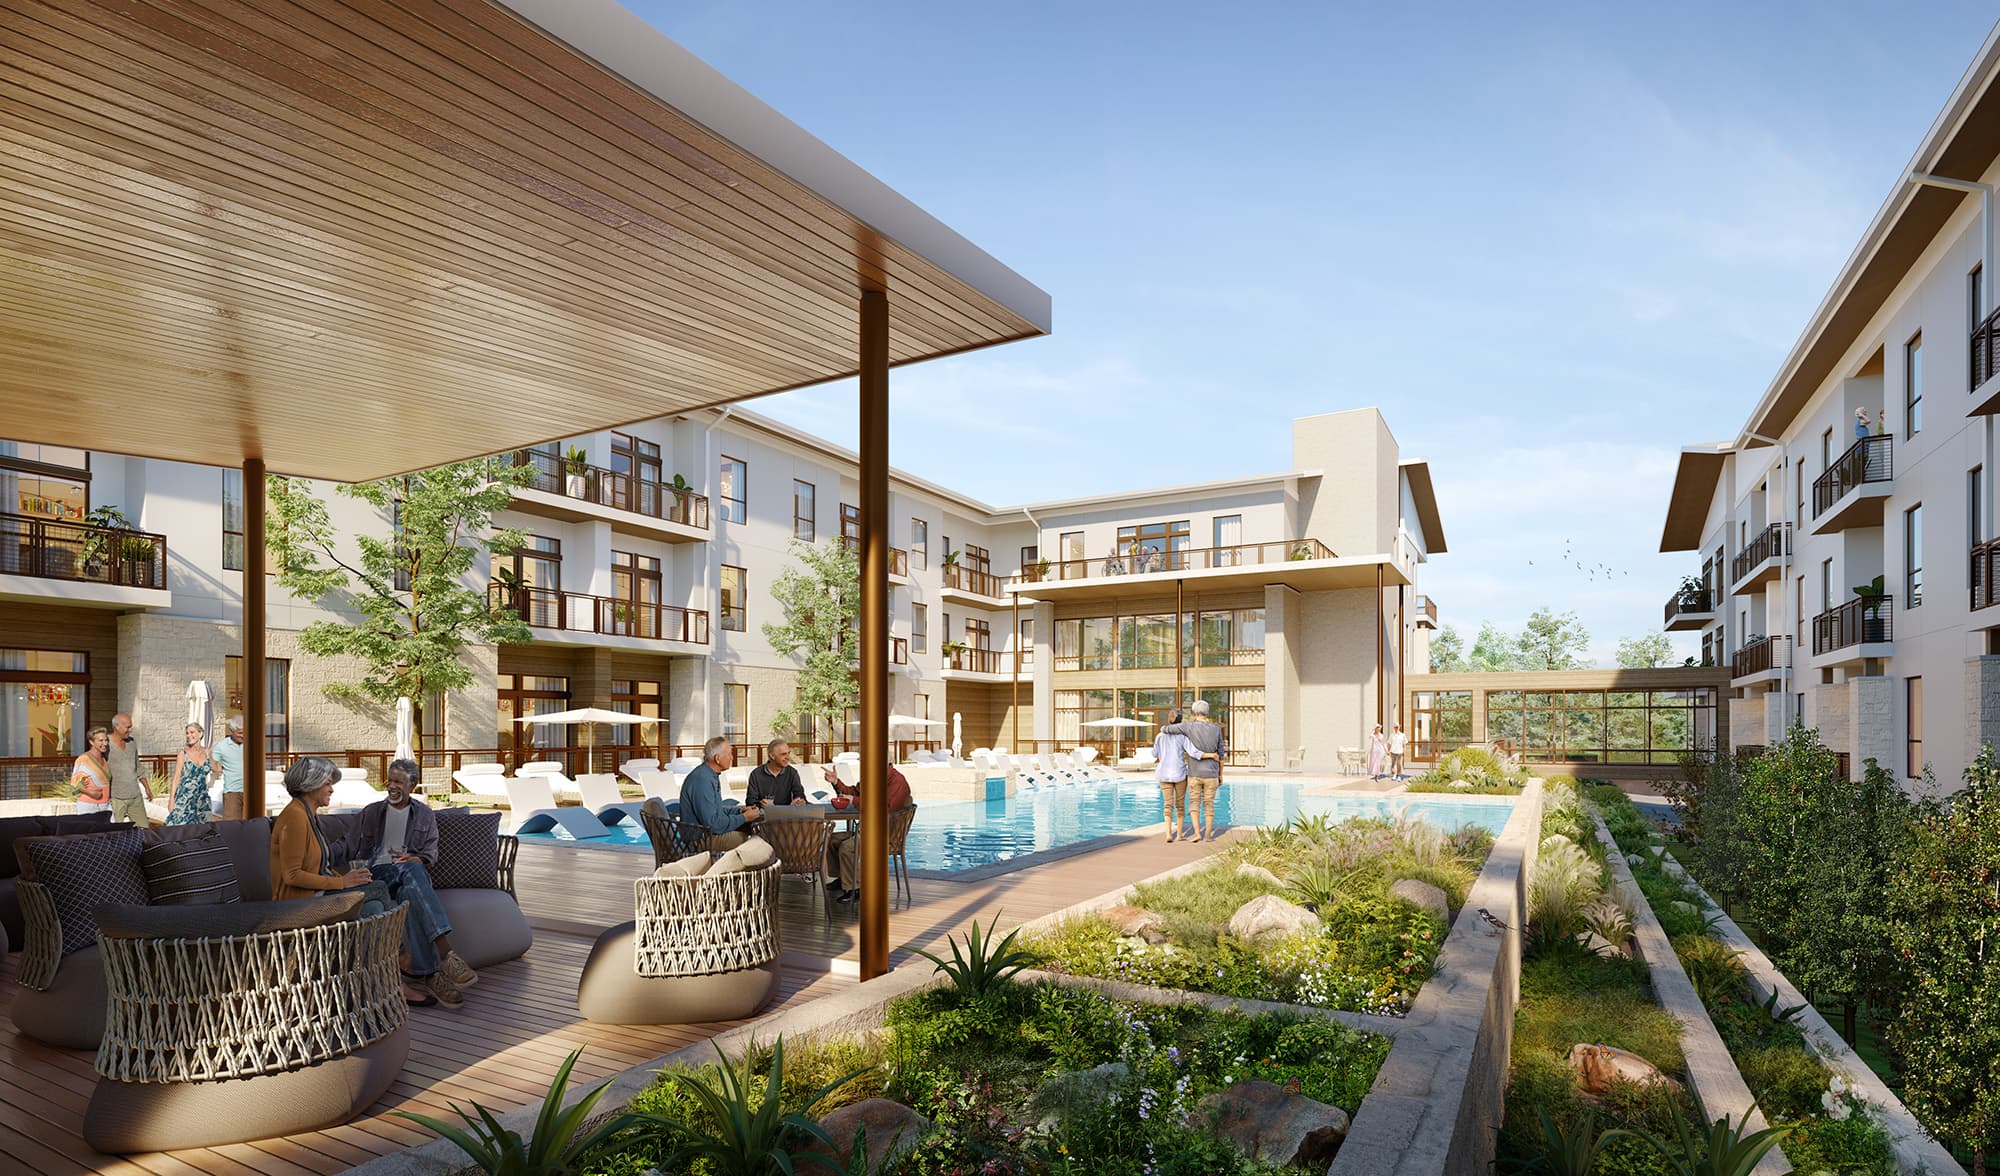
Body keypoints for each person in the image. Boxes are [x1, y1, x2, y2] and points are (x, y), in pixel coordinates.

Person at [270, 757, 447, 1007]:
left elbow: (321, 860)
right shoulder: (296, 818)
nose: (332, 789)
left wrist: (345, 877)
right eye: (328, 784)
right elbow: (292, 876)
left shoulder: (308, 815)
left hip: (317, 894)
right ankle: (401, 962)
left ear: (412, 786)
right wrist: (342, 882)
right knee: (378, 888)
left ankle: (386, 981)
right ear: (311, 785)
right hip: (300, 904)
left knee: (375, 906)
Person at [347, 759, 479, 996]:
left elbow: (431, 852)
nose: (392, 785)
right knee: (410, 871)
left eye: (399, 781)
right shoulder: (372, 812)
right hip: (377, 875)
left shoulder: (424, 815)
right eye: (390, 780)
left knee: (411, 888)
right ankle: (444, 951)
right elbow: (346, 845)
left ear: (412, 785)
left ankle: (429, 974)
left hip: (409, 876)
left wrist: (419, 859)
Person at [819, 761, 911, 904]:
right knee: (832, 840)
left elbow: (885, 807)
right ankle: (844, 879)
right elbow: (854, 793)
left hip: (885, 835)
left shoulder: (897, 781)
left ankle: (855, 888)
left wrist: (855, 800)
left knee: (848, 847)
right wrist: (836, 782)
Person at [679, 736, 762, 851]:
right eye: (729, 754)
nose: (732, 758)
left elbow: (716, 811)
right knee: (751, 841)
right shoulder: (702, 780)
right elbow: (714, 824)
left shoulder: (710, 775)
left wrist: (739, 810)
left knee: (755, 829)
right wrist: (744, 818)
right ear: (717, 758)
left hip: (707, 834)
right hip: (700, 840)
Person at [1161, 701, 1227, 843]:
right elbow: (1221, 754)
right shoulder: (1216, 729)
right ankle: (1208, 836)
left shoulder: (1188, 727)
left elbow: (1165, 729)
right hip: (1212, 774)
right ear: (1207, 713)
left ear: (1194, 713)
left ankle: (1197, 833)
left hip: (1195, 773)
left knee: (1194, 803)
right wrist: (1221, 775)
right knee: (1209, 804)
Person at [1151, 711, 1213, 842]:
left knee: (1167, 805)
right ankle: (1179, 835)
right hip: (1179, 773)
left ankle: (1168, 834)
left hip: (1163, 774)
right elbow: (1194, 752)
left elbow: (1154, 754)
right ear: (1180, 722)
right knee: (1180, 805)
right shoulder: (1182, 737)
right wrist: (1211, 755)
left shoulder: (1159, 736)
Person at [105, 712, 151, 827]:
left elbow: (138, 766)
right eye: (128, 727)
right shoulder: (106, 744)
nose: (130, 730)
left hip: (135, 796)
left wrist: (147, 788)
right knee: (116, 833)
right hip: (116, 798)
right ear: (117, 726)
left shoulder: (132, 742)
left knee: (144, 829)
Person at [165, 722, 215, 825]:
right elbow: (176, 778)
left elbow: (217, 768)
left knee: (201, 830)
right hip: (184, 798)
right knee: (179, 828)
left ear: (200, 734)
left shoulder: (208, 753)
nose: (188, 735)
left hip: (201, 799)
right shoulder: (183, 754)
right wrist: (171, 800)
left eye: (192, 732)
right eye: (187, 733)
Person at [747, 739, 807, 809]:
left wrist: (801, 802)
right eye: (784, 754)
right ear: (772, 756)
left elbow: (800, 796)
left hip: (787, 815)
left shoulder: (792, 773)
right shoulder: (756, 774)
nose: (788, 757)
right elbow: (750, 803)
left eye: (788, 753)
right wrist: (761, 805)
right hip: (765, 816)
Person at [211, 715, 246, 819]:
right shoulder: (222, 746)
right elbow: (211, 762)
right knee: (232, 826)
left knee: (254, 825)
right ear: (231, 730)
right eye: (239, 732)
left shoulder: (252, 743)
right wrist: (218, 769)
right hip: (232, 792)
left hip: (252, 791)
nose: (243, 735)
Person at [71, 726, 111, 813]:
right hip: (88, 806)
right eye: (101, 740)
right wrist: (91, 793)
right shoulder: (83, 759)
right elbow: (74, 786)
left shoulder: (104, 759)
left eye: (106, 740)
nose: (105, 743)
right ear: (91, 742)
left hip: (106, 805)